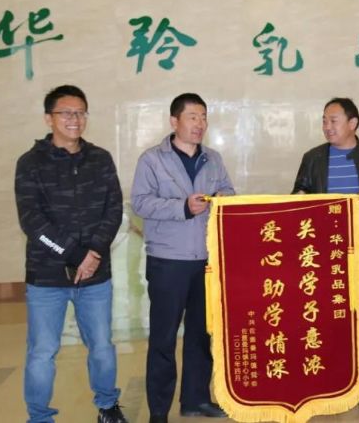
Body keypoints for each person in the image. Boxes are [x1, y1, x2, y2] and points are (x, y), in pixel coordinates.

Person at [15, 85, 127, 423]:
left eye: (80, 112)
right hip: (46, 277)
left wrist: (94, 253)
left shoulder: (100, 159)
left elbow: (114, 209)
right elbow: (31, 221)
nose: (74, 119)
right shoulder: (30, 163)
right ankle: (39, 417)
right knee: (42, 352)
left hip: (95, 275)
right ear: (48, 118)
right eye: (66, 112)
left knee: (102, 346)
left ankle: (107, 407)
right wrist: (76, 254)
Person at [131, 93, 235, 422]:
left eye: (203, 117)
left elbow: (230, 193)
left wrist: (222, 198)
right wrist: (183, 207)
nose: (200, 123)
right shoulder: (152, 160)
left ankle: (195, 399)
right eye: (193, 117)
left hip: (207, 261)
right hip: (168, 261)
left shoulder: (213, 159)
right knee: (163, 338)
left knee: (201, 334)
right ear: (174, 121)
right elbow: (140, 203)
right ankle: (158, 410)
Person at [292, 97, 359, 412]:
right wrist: (299, 197)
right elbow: (298, 193)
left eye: (333, 120)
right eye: (324, 120)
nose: (327, 126)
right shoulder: (313, 158)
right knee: (325, 322)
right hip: (323, 257)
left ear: (353, 123)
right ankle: (329, 384)